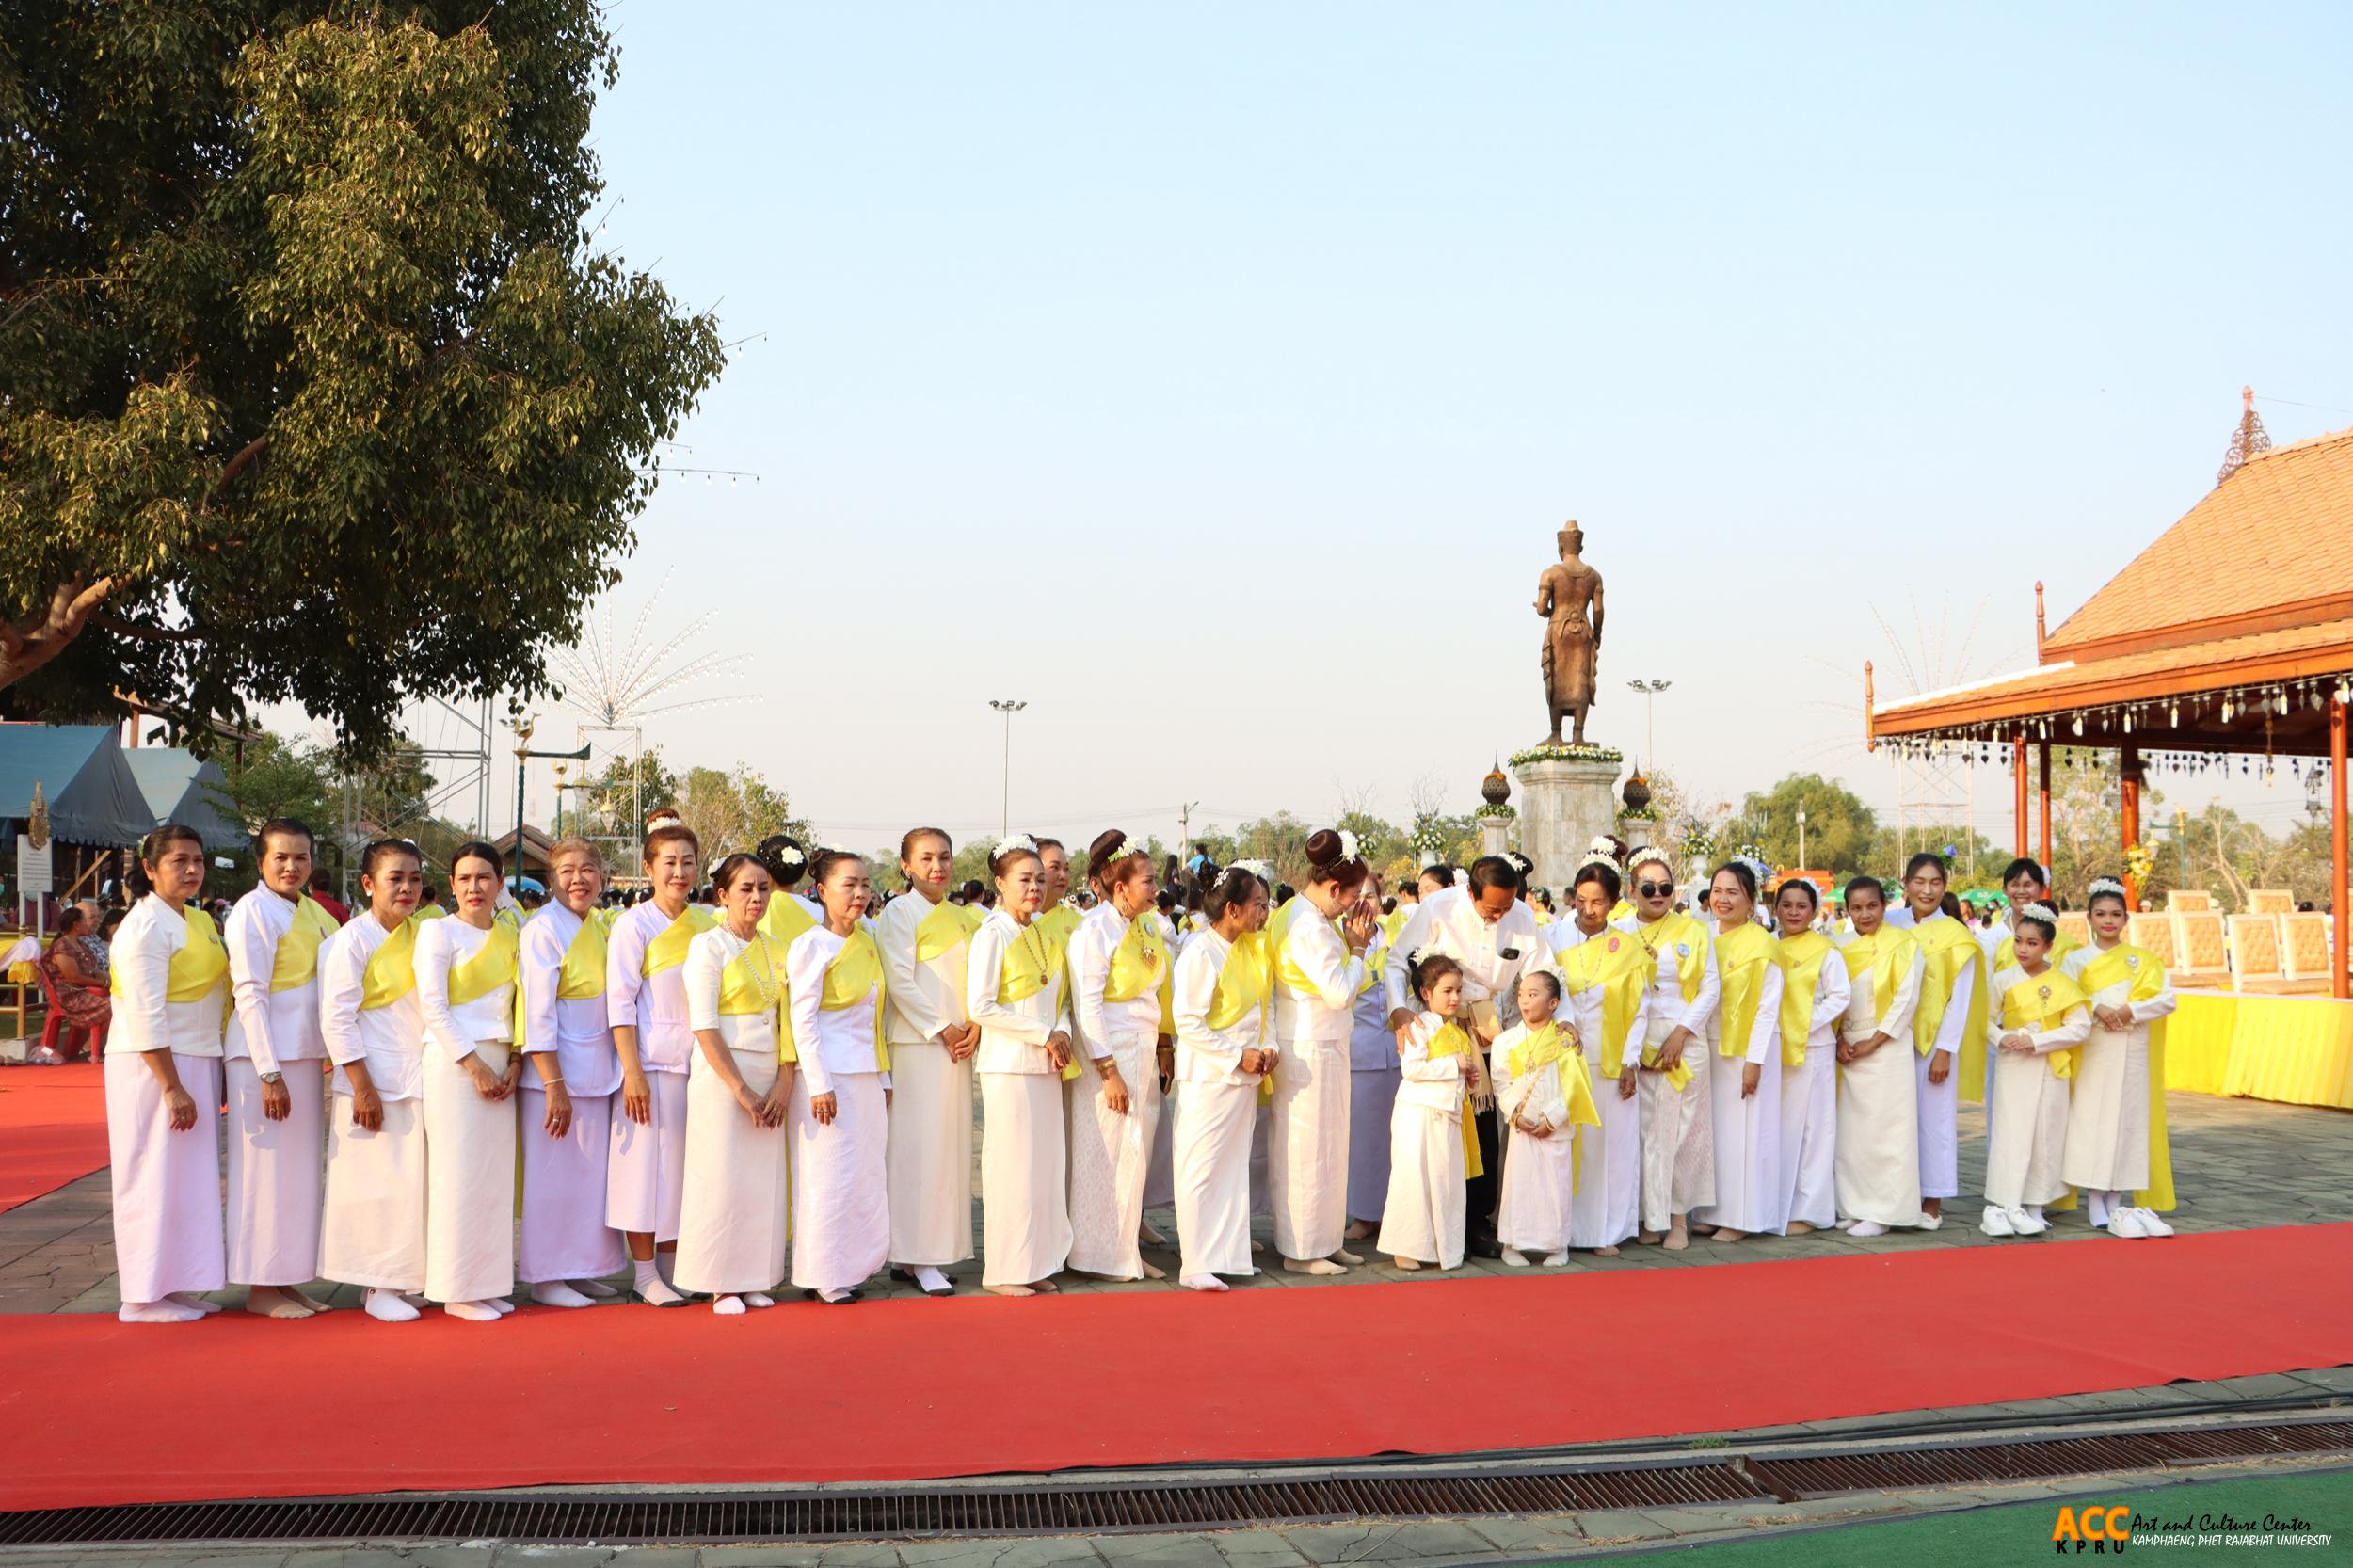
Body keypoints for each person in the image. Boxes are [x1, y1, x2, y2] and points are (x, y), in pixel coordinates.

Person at [1382, 856, 1538, 1256]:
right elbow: (1398, 961)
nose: (1500, 915)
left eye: (1507, 907)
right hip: (1437, 1025)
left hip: (1484, 1028)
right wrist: (1399, 1008)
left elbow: (1543, 969)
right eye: (1492, 909)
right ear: (1470, 893)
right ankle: (1440, 1221)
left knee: (1484, 1124)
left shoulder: (1520, 916)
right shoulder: (1438, 908)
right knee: (1443, 1133)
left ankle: (1477, 1222)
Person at [104, 824, 229, 1324]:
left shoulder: (195, 920)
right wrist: (171, 1085)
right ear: (151, 870)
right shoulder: (143, 928)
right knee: (149, 1174)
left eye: (197, 860)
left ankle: (173, 1282)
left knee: (187, 1180)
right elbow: (145, 1012)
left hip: (197, 1056)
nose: (192, 870)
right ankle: (140, 1295)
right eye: (179, 861)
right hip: (152, 1065)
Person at [222, 818, 338, 1318]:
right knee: (264, 1174)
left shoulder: (314, 912)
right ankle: (260, 1286)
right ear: (260, 862)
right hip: (264, 1060)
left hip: (304, 1058)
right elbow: (250, 992)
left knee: (298, 1175)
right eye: (281, 858)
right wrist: (269, 1072)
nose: (292, 867)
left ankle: (287, 1278)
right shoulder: (252, 911)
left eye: (301, 857)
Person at [673, 854, 793, 1312]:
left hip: (770, 1069)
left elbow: (790, 1022)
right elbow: (704, 1025)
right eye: (745, 889)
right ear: (722, 895)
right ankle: (721, 1280)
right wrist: (740, 1089)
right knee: (721, 1175)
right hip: (724, 1075)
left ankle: (755, 1274)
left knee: (761, 1179)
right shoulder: (708, 946)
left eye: (763, 888)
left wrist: (783, 1082)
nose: (757, 897)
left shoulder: (777, 946)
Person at [319, 838, 428, 1323]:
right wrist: (362, 1085)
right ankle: (375, 1285)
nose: (406, 888)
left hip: (415, 1075)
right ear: (368, 884)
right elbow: (336, 1020)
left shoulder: (425, 933)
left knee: (411, 1186)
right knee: (374, 1188)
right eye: (395, 878)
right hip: (371, 1082)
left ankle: (408, 1278)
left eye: (415, 879)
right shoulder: (351, 941)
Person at [413, 841, 524, 1320]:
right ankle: (456, 1288)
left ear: (501, 883)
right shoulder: (438, 932)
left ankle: (487, 1280)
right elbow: (433, 1006)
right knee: (457, 1177)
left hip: (501, 1062)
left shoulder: (511, 933)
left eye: (484, 877)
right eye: (464, 879)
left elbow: (519, 1005)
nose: (474, 887)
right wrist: (474, 1066)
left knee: (492, 1179)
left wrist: (514, 1063)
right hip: (455, 1064)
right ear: (453, 885)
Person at [515, 837, 628, 1308]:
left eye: (588, 869)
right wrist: (552, 1082)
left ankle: (582, 1266)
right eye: (566, 870)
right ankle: (547, 1275)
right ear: (551, 878)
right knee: (552, 1176)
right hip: (554, 1075)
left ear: (602, 876)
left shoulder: (600, 926)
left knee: (588, 1175)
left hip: (597, 1068)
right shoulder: (542, 929)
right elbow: (537, 1012)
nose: (578, 879)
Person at [605, 822, 713, 1306]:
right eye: (668, 862)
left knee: (680, 1172)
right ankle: (644, 1274)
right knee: (643, 1171)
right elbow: (620, 1004)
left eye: (687, 861)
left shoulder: (709, 924)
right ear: (648, 868)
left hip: (696, 1065)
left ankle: (672, 1267)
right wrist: (632, 1072)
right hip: (648, 1064)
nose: (679, 871)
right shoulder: (634, 925)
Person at [967, 836, 1076, 1297]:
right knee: (1011, 1167)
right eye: (1024, 880)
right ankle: (1004, 1269)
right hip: (1009, 1066)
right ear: (1000, 883)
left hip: (1045, 1066)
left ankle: (1033, 1261)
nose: (1035, 887)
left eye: (1039, 879)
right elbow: (981, 1006)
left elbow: (1061, 995)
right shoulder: (992, 934)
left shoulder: (1042, 931)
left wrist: (1064, 1029)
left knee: (1042, 1168)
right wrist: (1041, 1034)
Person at [783, 849, 893, 1304]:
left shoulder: (867, 939)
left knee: (862, 1174)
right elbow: (802, 1019)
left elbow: (876, 1017)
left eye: (865, 884)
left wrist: (883, 1079)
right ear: (822, 890)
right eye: (849, 885)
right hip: (826, 1077)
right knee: (826, 1175)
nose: (860, 893)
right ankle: (822, 1272)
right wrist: (820, 1082)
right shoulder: (811, 945)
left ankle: (852, 1265)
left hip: (865, 1073)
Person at [874, 827, 981, 1297]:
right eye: (926, 859)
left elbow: (981, 979)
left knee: (948, 1150)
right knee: (917, 1150)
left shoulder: (966, 918)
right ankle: (916, 1255)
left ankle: (923, 1253)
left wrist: (974, 1024)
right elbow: (900, 980)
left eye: (944, 857)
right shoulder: (898, 912)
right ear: (907, 866)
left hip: (958, 1046)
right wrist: (942, 1027)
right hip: (919, 1045)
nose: (937, 867)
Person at [1266, 829, 1377, 1276]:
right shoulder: (1308, 925)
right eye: (1350, 896)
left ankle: (1328, 1240)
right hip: (1310, 1045)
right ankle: (1302, 1248)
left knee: (1331, 1146)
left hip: (1326, 1043)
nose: (1351, 905)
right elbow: (1338, 992)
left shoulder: (1302, 910)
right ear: (1333, 888)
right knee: (1307, 1150)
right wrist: (1359, 949)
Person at [1066, 830, 1174, 1282]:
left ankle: (1125, 1248)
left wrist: (1164, 1043)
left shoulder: (1147, 926)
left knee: (1136, 1155)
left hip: (1143, 1047)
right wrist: (1107, 1070)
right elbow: (1086, 1004)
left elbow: (1158, 990)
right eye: (1147, 881)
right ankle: (1099, 1255)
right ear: (1120, 886)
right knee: (1106, 1153)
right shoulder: (1094, 930)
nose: (1155, 888)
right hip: (1109, 1053)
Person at [1170, 864, 1274, 1291]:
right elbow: (1188, 1022)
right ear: (1232, 909)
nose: (1265, 914)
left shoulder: (1251, 947)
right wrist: (1236, 1057)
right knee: (1202, 1168)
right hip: (1210, 1077)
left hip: (1246, 1076)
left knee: (1233, 1169)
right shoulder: (1200, 951)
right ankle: (1195, 1262)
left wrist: (1270, 1049)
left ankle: (1229, 1256)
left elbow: (1267, 1007)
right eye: (1258, 906)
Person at [2061, 878, 2180, 1240]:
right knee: (2092, 1119)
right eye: (2101, 914)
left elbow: (2167, 999)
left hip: (2131, 1047)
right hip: (2094, 1047)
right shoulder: (2074, 960)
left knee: (2129, 1120)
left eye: (2115, 914)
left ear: (2126, 919)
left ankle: (2119, 1196)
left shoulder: (2143, 960)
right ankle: (2095, 1195)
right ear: (2089, 918)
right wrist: (2098, 1008)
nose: (2108, 921)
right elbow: (2070, 1000)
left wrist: (2129, 1010)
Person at [1539, 858, 1647, 1255]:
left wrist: (1631, 1060)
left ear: (1615, 902)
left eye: (1598, 902)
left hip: (1609, 1059)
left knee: (1607, 1148)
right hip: (1563, 1057)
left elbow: (1640, 1010)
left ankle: (1604, 1232)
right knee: (1566, 1144)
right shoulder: (1553, 939)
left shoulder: (1628, 950)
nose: (1588, 909)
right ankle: (1560, 1230)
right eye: (1581, 900)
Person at [1622, 849, 1719, 1250]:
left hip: (1685, 1037)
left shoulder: (1695, 931)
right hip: (1639, 1041)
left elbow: (1711, 986)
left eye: (1664, 887)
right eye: (1648, 887)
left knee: (1681, 1132)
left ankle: (1678, 1218)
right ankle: (1650, 1216)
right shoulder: (1621, 934)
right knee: (1646, 1133)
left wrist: (1682, 1032)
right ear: (1632, 891)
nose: (1657, 894)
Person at [1691, 861, 1786, 1243]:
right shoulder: (1702, 938)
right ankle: (1713, 1211)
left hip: (1748, 1048)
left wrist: (1754, 1060)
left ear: (1751, 901)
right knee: (1715, 1134)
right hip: (1711, 1046)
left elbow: (1768, 1007)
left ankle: (1743, 1217)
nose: (1723, 899)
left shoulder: (1764, 944)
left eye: (1733, 892)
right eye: (1718, 890)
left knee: (1747, 1134)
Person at [1980, 904, 2089, 1237]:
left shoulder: (2063, 982)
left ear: (2048, 947)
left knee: (2046, 1133)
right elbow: (1983, 1020)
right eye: (2018, 941)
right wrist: (2004, 1038)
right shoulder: (2001, 980)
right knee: (2012, 1133)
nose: (2022, 949)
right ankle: (2004, 1202)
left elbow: (2080, 1027)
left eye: (2031, 943)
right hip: (2013, 1063)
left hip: (2048, 1063)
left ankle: (2036, 1205)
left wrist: (2039, 1041)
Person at [1830, 877, 1925, 1237]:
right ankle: (1855, 1206)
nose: (1865, 913)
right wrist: (1839, 1039)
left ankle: (1887, 1212)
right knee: (1853, 1134)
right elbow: (1834, 998)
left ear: (1885, 906)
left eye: (1872, 906)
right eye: (1857, 907)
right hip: (1849, 1047)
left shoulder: (1903, 945)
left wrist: (1875, 1041)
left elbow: (1906, 999)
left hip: (1888, 1047)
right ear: (1847, 910)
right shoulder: (1838, 947)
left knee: (1888, 1130)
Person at [1895, 853, 1984, 1228]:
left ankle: (1932, 1200)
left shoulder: (1955, 935)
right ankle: (1897, 1195)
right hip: (1893, 1039)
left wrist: (1945, 1050)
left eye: (1935, 883)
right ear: (1906, 884)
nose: (1926, 890)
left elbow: (1959, 999)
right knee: (1897, 1120)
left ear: (1944, 887)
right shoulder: (1891, 924)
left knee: (1934, 1120)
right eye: (1919, 881)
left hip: (1933, 1044)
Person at [1490, 968, 1602, 1266]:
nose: (1525, 1001)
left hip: (1554, 1128)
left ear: (1554, 1003)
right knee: (1518, 1185)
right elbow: (1500, 1083)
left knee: (1555, 1186)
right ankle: (1512, 1244)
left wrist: (1552, 1118)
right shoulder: (1506, 1040)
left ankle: (1557, 1245)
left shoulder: (1565, 1039)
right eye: (1521, 995)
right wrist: (1515, 1113)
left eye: (1533, 994)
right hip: (1522, 1126)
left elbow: (1576, 1087)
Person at [1379, 952, 1481, 1272]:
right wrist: (1454, 1065)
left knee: (1444, 1181)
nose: (1454, 998)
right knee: (1414, 1180)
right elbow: (1412, 1068)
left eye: (1458, 991)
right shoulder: (1416, 1025)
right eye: (1447, 991)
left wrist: (1468, 1077)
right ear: (1426, 993)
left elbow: (1455, 1072)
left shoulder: (1455, 1030)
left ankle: (1441, 1246)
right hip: (1419, 1113)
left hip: (1446, 1115)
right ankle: (1406, 1246)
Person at [1769, 879, 1848, 1237]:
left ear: (1814, 911)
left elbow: (1840, 996)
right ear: (1776, 909)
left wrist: (1804, 1024)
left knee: (1814, 1131)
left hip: (1813, 1048)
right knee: (1779, 1129)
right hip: (1773, 1050)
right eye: (1787, 905)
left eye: (1802, 906)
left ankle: (1810, 1210)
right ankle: (1774, 1204)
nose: (1794, 912)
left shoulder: (1826, 951)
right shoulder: (1768, 947)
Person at [1343, 909, 1400, 1244]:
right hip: (1359, 1049)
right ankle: (1364, 1213)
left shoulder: (1398, 934)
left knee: (1393, 1139)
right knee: (1364, 1140)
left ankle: (1393, 1212)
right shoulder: (1339, 939)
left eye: (1370, 896)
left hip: (1396, 1050)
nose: (1364, 903)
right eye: (1357, 896)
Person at [39, 904, 111, 1060]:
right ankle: (87, 1049)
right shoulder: (62, 946)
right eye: (85, 920)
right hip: (69, 997)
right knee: (115, 1007)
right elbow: (74, 977)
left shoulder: (82, 944)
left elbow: (92, 969)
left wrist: (112, 980)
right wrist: (103, 984)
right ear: (76, 925)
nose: (89, 924)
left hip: (83, 992)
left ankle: (89, 1048)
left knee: (123, 1002)